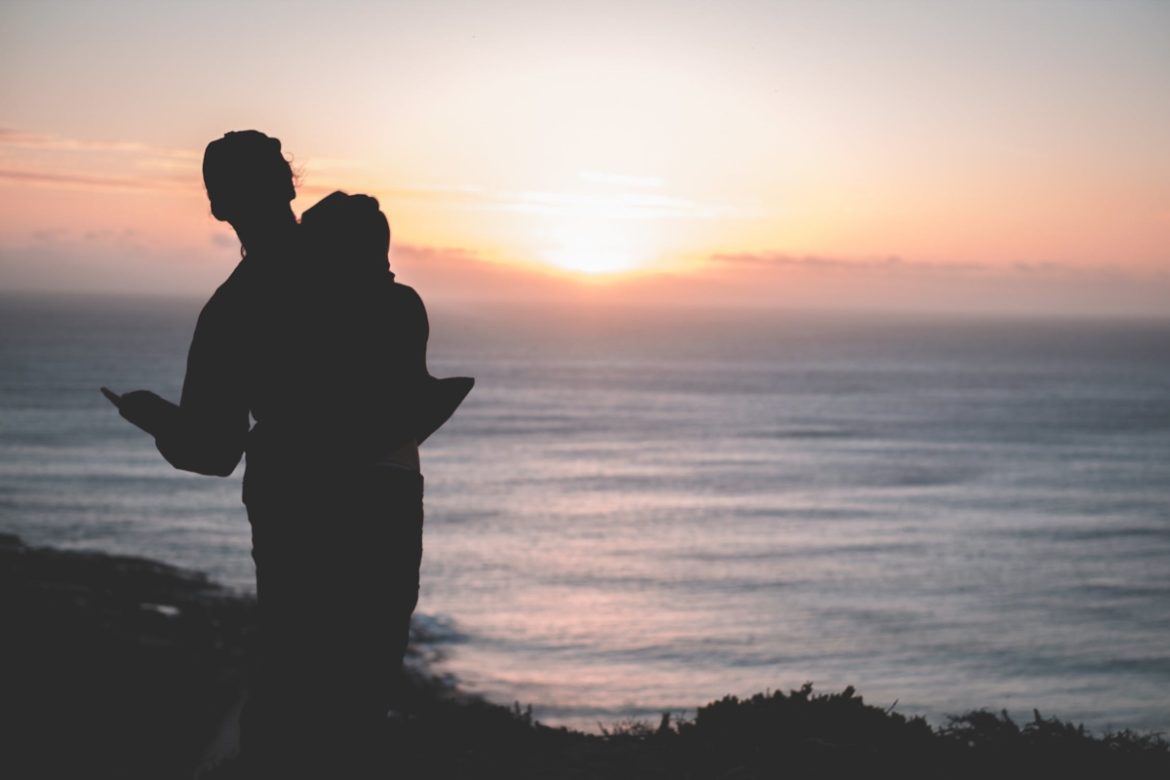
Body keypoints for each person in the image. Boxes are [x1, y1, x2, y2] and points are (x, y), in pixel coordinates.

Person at [103, 132, 470, 778]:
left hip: (296, 502)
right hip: (386, 491)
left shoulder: (231, 308)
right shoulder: (355, 257)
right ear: (291, 184)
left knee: (293, 685)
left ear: (217, 206)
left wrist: (152, 415)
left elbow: (213, 452)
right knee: (365, 682)